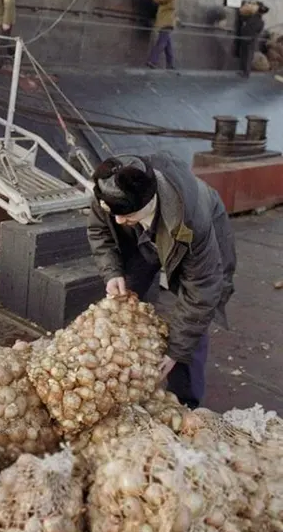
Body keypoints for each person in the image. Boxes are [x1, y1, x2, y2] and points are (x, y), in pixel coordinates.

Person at [87, 152, 236, 409]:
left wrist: (176, 350)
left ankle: (186, 401)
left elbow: (201, 291)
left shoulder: (194, 223)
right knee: (124, 304)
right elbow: (99, 230)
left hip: (192, 235)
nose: (119, 221)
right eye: (115, 215)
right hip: (142, 234)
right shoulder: (111, 188)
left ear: (147, 203)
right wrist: (112, 272)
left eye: (125, 215)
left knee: (191, 327)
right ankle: (123, 383)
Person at [147, 0, 177, 70]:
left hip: (163, 23)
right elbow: (171, 12)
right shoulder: (169, 1)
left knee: (168, 44)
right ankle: (152, 61)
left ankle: (170, 63)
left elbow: (171, 13)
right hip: (167, 24)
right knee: (162, 43)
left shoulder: (163, 2)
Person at [238, 1, 269, 78]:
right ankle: (245, 72)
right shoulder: (260, 21)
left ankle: (246, 72)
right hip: (250, 39)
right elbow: (258, 31)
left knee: (247, 56)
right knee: (247, 56)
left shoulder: (253, 18)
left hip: (248, 39)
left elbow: (245, 22)